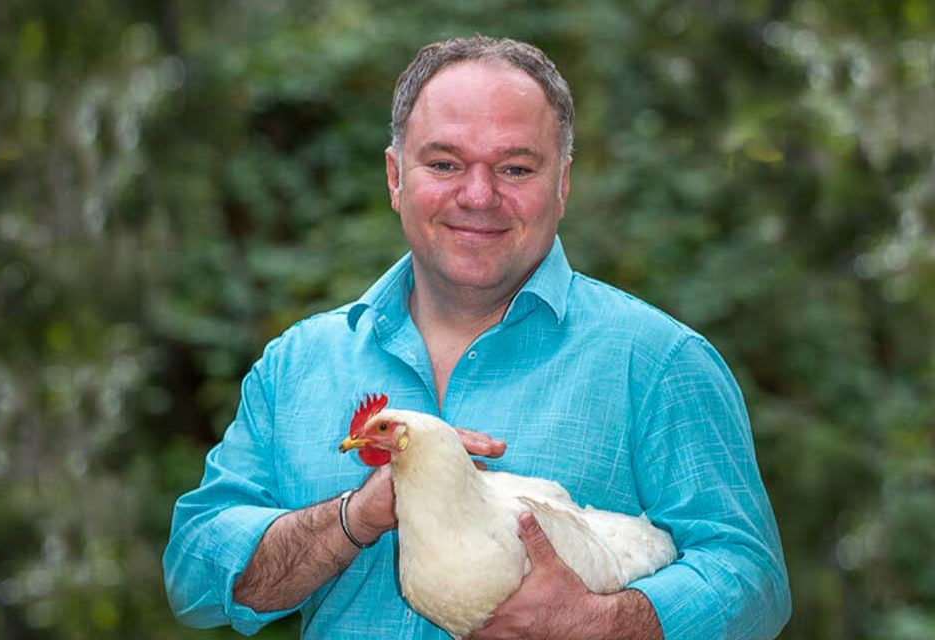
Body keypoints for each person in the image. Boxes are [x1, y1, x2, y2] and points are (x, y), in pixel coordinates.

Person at [163, 35, 791, 639]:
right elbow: (193, 579)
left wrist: (604, 626)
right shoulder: (298, 365)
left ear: (562, 184)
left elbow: (752, 580)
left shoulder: (659, 362)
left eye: (515, 168)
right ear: (395, 177)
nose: (479, 195)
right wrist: (355, 517)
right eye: (444, 163)